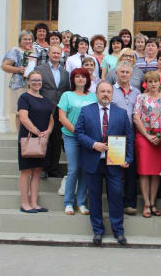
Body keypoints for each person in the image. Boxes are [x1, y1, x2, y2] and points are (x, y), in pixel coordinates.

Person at [75, 81, 133, 246]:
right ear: (97, 93)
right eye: (102, 91)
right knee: (94, 198)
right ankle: (98, 232)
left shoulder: (121, 113)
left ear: (112, 94)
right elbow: (78, 133)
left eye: (108, 91)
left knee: (115, 197)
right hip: (93, 162)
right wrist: (93, 144)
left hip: (114, 163)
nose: (106, 94)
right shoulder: (86, 111)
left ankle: (118, 231)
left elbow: (129, 137)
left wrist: (128, 159)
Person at [58, 68, 97, 215]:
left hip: (88, 139)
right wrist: (78, 132)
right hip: (71, 137)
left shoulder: (93, 96)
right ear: (73, 80)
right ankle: (68, 202)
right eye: (77, 77)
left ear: (87, 80)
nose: (80, 79)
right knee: (73, 169)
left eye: (83, 77)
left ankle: (81, 203)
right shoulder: (67, 95)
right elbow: (62, 117)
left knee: (85, 170)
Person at [133, 72, 161, 217]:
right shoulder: (141, 97)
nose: (153, 84)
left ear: (160, 82)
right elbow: (136, 117)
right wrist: (147, 135)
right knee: (144, 171)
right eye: (150, 81)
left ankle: (153, 202)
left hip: (159, 138)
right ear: (146, 83)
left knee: (156, 173)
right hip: (143, 135)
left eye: (155, 81)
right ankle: (146, 203)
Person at [18, 71, 54, 213]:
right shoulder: (24, 98)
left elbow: (51, 119)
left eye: (38, 80)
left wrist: (48, 131)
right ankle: (25, 203)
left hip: (42, 140)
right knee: (26, 171)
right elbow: (23, 118)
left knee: (38, 171)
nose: (36, 82)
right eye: (33, 80)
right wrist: (37, 132)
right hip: (28, 138)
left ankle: (34, 203)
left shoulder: (45, 100)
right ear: (28, 81)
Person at [35, 45, 70, 179]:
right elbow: (35, 87)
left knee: (56, 141)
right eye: (53, 53)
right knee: (44, 138)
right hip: (44, 109)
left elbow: (66, 91)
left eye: (58, 53)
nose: (56, 55)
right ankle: (43, 168)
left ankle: (54, 168)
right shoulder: (39, 69)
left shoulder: (65, 73)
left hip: (59, 111)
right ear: (48, 54)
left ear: (61, 55)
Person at [112, 61, 141, 216]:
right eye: (121, 72)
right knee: (116, 171)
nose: (124, 74)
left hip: (132, 135)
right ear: (116, 74)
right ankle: (117, 203)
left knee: (131, 169)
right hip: (115, 136)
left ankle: (130, 203)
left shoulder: (137, 92)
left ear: (131, 75)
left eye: (127, 72)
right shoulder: (110, 91)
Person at [1, 30, 38, 130]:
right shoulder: (15, 50)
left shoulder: (34, 51)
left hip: (33, 85)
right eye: (25, 39)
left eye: (30, 39)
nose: (27, 41)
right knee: (20, 111)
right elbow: (4, 66)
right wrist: (18, 69)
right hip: (19, 85)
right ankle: (20, 135)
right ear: (20, 40)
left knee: (32, 111)